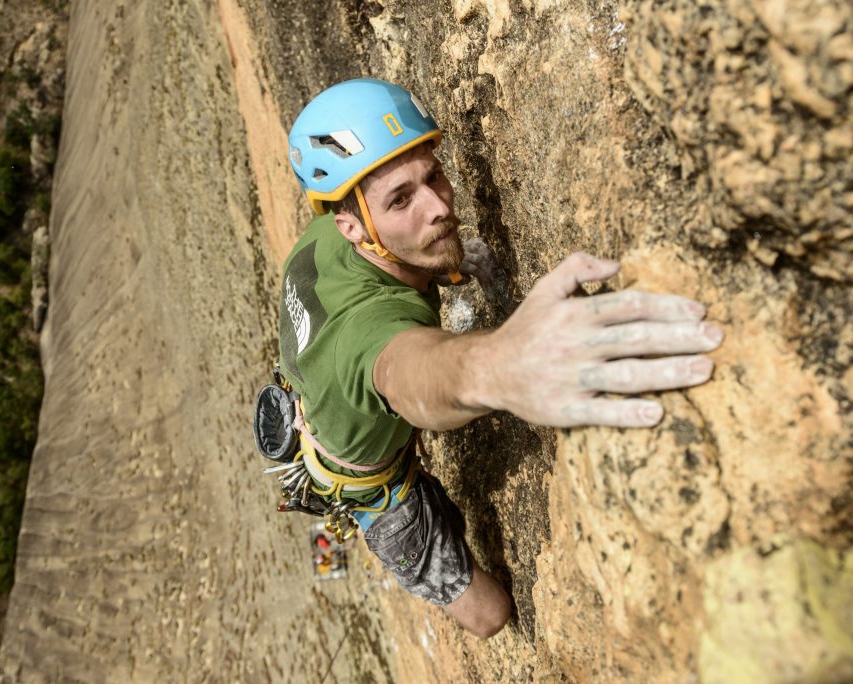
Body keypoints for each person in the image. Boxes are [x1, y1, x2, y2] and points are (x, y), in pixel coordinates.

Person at [276, 78, 723, 638]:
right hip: (363, 480)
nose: (438, 207)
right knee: (490, 615)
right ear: (353, 227)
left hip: (315, 392)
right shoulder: (366, 334)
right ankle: (376, 535)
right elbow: (408, 372)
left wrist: (454, 266)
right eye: (401, 200)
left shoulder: (324, 232)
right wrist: (497, 367)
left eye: (432, 175)